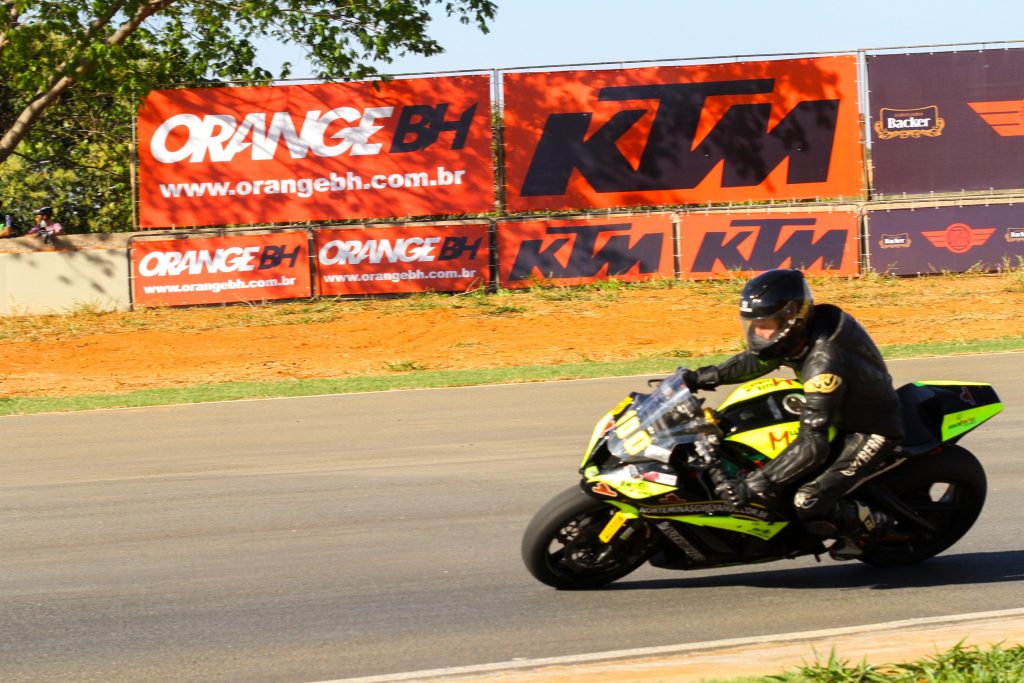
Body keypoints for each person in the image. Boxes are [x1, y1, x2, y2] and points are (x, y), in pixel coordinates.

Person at [684, 269, 905, 560]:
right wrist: (700, 377)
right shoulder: (803, 331)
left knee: (807, 499)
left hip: (870, 428)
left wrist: (753, 486)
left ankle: (871, 525)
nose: (758, 332)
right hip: (834, 406)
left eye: (765, 324)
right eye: (754, 323)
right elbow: (758, 359)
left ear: (791, 319)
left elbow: (812, 445)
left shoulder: (823, 363)